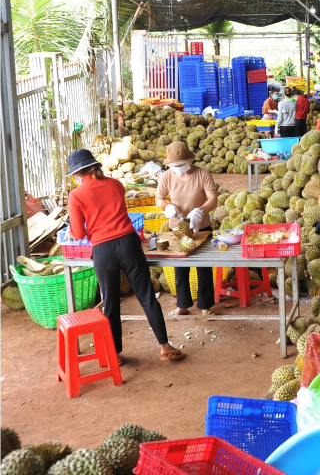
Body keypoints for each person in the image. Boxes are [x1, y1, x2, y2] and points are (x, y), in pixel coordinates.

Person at [65, 149, 183, 362]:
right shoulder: (116, 185)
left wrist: (73, 231)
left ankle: (115, 354)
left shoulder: (76, 195)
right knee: (146, 296)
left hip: (103, 250)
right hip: (129, 244)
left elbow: (79, 233)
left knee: (110, 303)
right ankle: (165, 346)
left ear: (78, 174)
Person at [156, 142, 219, 317]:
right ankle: (182, 305)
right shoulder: (167, 177)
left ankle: (206, 306)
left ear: (189, 161)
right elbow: (159, 197)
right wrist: (166, 206)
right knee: (180, 268)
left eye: (181, 165)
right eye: (174, 166)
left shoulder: (203, 174)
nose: (178, 168)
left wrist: (201, 210)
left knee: (203, 267)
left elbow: (213, 198)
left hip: (201, 226)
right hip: (177, 227)